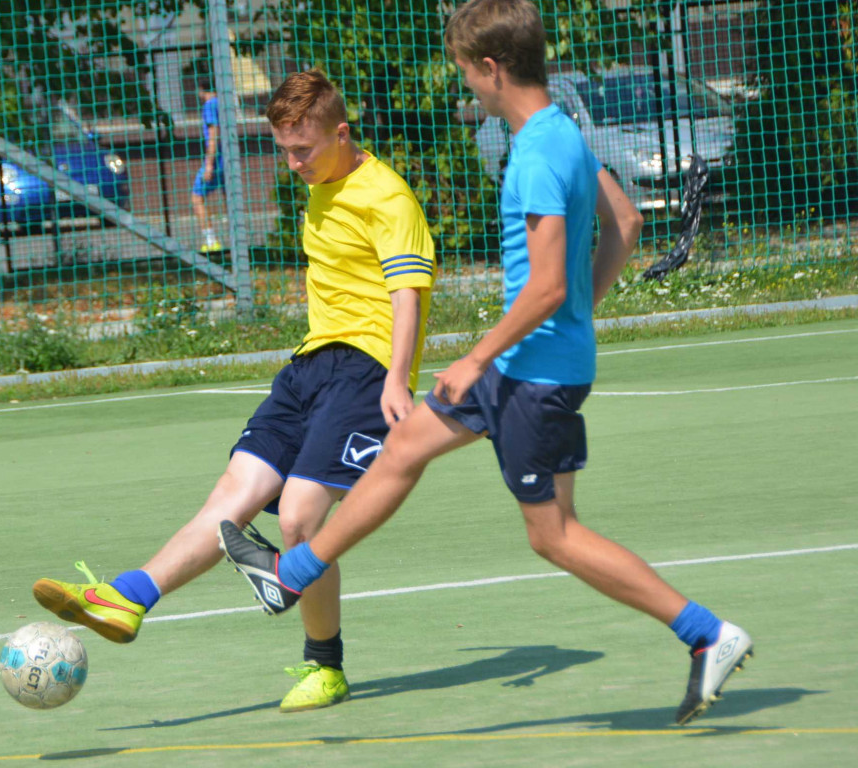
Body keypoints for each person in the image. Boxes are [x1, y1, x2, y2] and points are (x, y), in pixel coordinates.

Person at [217, 0, 752, 727]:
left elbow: (546, 283)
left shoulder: (534, 152)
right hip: (536, 361)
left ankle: (707, 634)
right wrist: (573, 321)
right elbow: (626, 224)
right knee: (404, 445)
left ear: (493, 69)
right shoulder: (565, 129)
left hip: (531, 378)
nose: (466, 86)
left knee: (554, 534)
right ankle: (292, 576)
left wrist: (478, 354)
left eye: (467, 73)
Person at [33, 69, 436, 713]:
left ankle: (324, 666)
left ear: (341, 132)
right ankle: (129, 596)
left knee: (303, 515)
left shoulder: (386, 196)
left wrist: (396, 377)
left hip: (366, 370)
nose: (293, 162)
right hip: (308, 367)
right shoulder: (318, 184)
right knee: (231, 503)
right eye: (283, 148)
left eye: (303, 148)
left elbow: (407, 292)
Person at [192, 78, 224, 252]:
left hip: (217, 159)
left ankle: (211, 241)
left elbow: (213, 135)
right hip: (227, 159)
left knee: (197, 198)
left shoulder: (210, 105)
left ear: (201, 88)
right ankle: (236, 239)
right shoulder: (222, 103)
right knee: (229, 197)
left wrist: (209, 164)